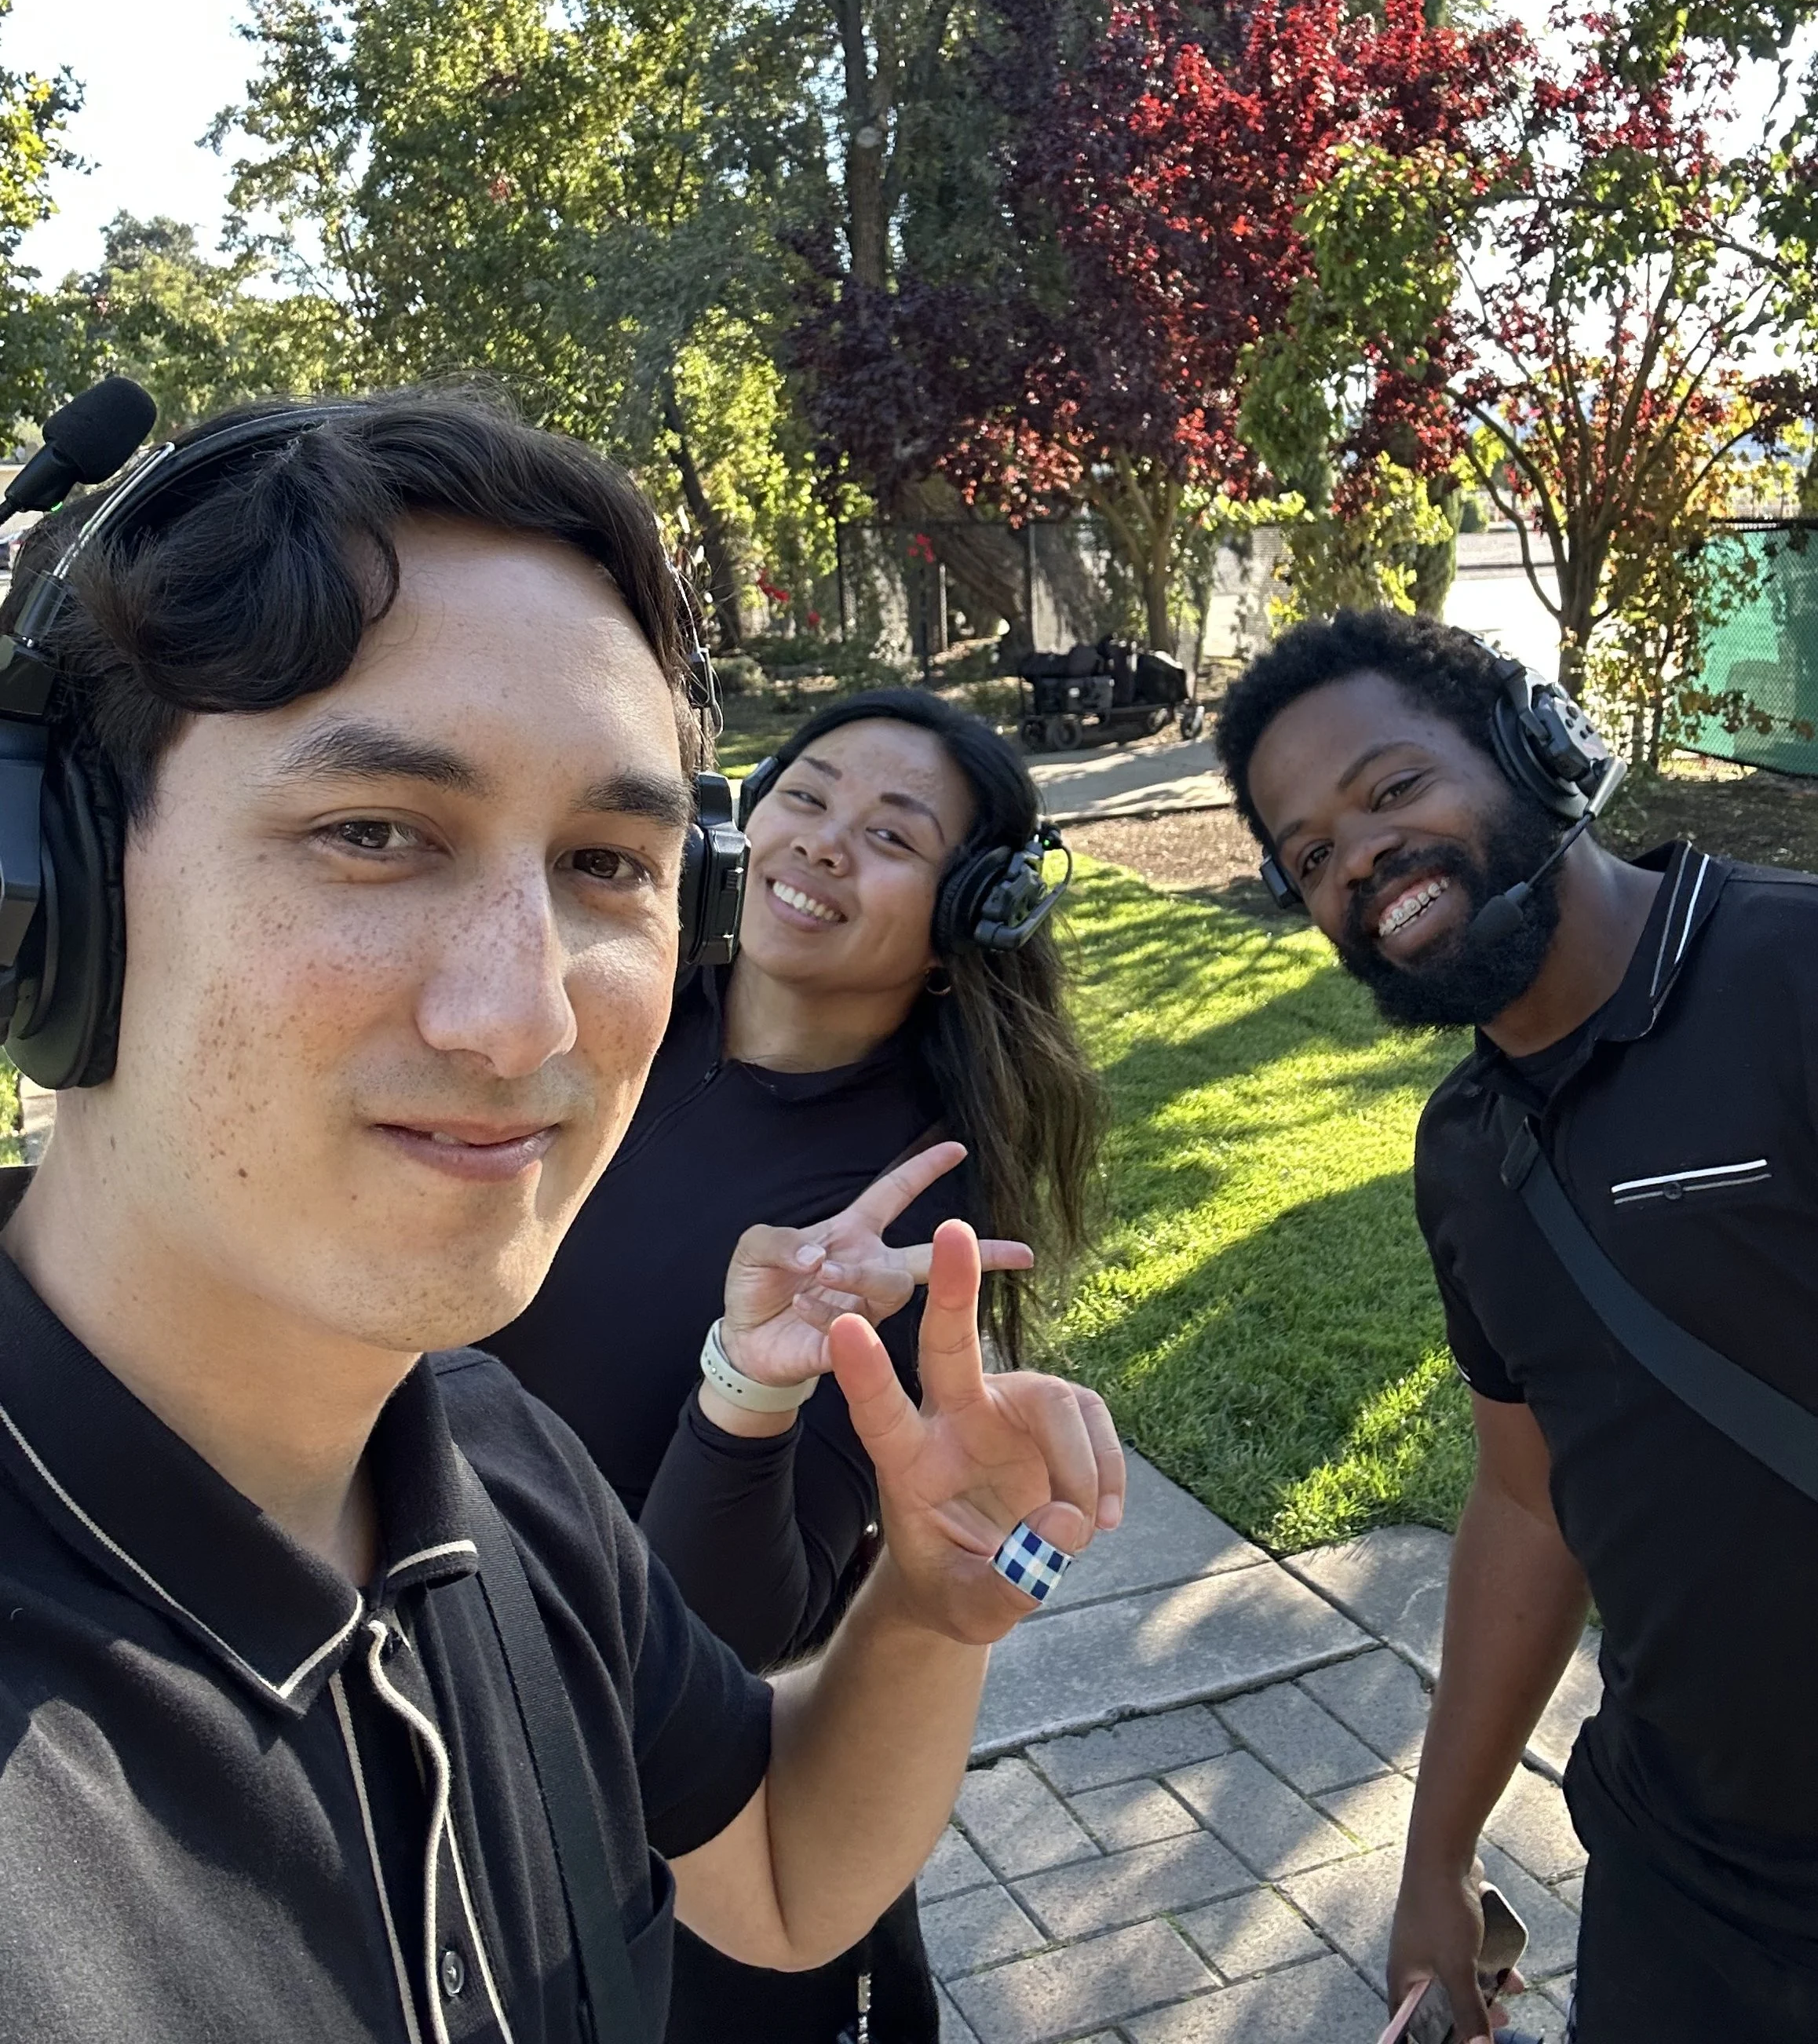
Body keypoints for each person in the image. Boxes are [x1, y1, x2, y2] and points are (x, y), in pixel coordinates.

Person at [0, 387, 1126, 2043]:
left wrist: (930, 1605)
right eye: (373, 833)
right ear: (48, 896)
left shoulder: (488, 1454)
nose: (524, 1018)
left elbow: (793, 1868)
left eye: (608, 863)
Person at [1216, 607, 1818, 2044]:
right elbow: (1526, 1500)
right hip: (1683, 1871)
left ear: (1532, 746)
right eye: (1310, 855)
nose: (1356, 857)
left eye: (1392, 791)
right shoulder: (1468, 1155)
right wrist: (1435, 1855)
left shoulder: (1793, 978)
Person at [490, 688, 1103, 2041]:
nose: (822, 842)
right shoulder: (591, 1011)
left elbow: (738, 1637)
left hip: (685, 1863)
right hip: (456, 1724)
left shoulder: (896, 1223)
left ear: (962, 926)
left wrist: (753, 1383)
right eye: (807, 798)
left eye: (892, 835)